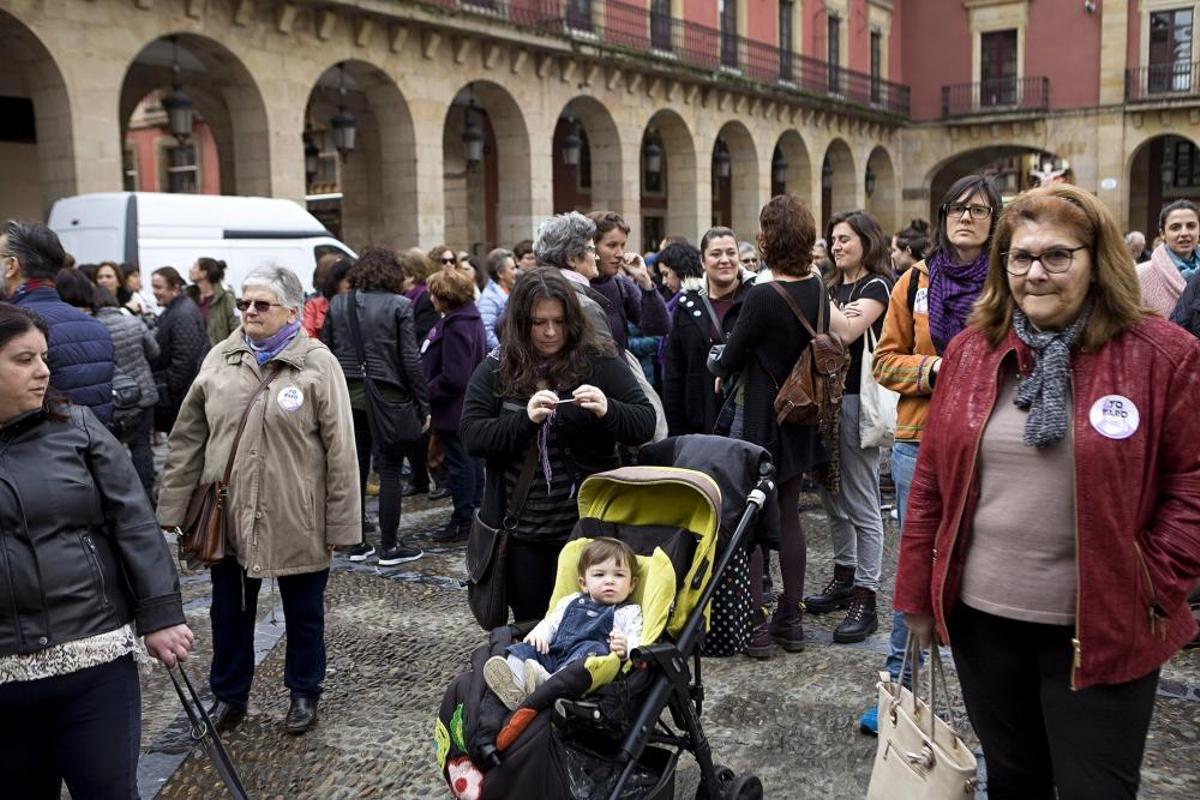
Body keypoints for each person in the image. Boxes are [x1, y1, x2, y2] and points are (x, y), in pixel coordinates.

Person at [895, 183, 1200, 799]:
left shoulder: (1162, 355)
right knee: (1014, 782)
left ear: (1097, 260)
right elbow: (930, 483)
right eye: (1020, 257)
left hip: (1106, 623)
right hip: (983, 625)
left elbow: (1191, 487)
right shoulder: (971, 353)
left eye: (1057, 255)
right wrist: (916, 595)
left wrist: (1150, 581)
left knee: (1096, 789)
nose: (1035, 273)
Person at [157, 265, 360, 736]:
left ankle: (304, 691)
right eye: (244, 303)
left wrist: (342, 523)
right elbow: (188, 438)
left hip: (297, 514)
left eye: (261, 304)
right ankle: (229, 695)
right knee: (228, 612)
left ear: (292, 311)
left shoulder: (317, 363)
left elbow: (341, 450)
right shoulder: (221, 357)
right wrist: (172, 508)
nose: (249, 311)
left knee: (304, 614)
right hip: (228, 513)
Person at [0, 304, 192, 798]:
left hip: (93, 657)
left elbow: (133, 520)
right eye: (24, 359)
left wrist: (161, 613)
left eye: (44, 357)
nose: (43, 371)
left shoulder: (77, 426)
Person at [860, 173, 1003, 734]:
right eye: (957, 208)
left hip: (992, 442)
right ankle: (900, 691)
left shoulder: (1009, 280)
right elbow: (884, 361)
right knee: (917, 566)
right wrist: (936, 370)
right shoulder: (915, 280)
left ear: (994, 221)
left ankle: (993, 697)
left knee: (985, 563)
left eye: (979, 209)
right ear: (943, 218)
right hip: (920, 441)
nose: (966, 217)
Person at [460, 267, 655, 622]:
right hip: (523, 534)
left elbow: (644, 423)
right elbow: (473, 436)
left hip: (589, 530)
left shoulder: (598, 360)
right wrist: (524, 420)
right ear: (521, 323)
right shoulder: (497, 367)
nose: (550, 332)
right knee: (532, 627)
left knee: (589, 624)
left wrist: (608, 409)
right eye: (539, 323)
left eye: (559, 322)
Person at [709, 196, 834, 657]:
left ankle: (756, 621)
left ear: (767, 240)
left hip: (762, 419)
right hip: (801, 416)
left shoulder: (763, 295)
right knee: (790, 515)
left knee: (753, 521)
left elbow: (731, 354)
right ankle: (791, 618)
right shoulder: (818, 287)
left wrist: (718, 363)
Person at [805, 210, 893, 644]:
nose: (836, 246)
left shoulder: (876, 286)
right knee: (830, 494)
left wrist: (819, 300)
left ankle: (867, 595)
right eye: (833, 239)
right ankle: (844, 576)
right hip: (823, 401)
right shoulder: (830, 285)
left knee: (860, 499)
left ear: (867, 241)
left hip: (857, 401)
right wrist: (828, 302)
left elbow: (846, 333)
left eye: (845, 239)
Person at [323, 247, 430, 563]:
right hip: (389, 394)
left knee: (355, 467)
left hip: (348, 394)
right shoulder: (400, 304)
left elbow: (326, 352)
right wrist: (423, 404)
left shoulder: (338, 303)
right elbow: (410, 359)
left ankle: (356, 543)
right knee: (391, 470)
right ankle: (390, 546)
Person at [482, 537, 644, 710]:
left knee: (593, 649)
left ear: (631, 585)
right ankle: (515, 683)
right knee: (524, 648)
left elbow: (637, 638)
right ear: (584, 583)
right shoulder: (571, 600)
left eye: (619, 575)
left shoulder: (628, 611)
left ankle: (547, 683)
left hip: (583, 663)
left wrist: (625, 647)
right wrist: (539, 635)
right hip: (555, 652)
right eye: (599, 575)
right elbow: (551, 623)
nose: (609, 581)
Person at [55, 269, 161, 498]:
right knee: (142, 446)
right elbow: (154, 351)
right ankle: (146, 493)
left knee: (113, 448)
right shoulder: (132, 322)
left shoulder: (94, 326)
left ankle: (122, 494)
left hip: (114, 396)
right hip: (143, 393)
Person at [1, 221, 115, 426]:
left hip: (36, 444)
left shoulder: (14, 327)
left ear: (11, 266)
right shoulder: (96, 325)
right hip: (94, 441)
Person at [663, 227, 756, 436]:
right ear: (703, 261)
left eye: (731, 253)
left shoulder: (757, 299)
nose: (725, 260)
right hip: (698, 424)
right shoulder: (686, 306)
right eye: (716, 254)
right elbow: (674, 374)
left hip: (747, 423)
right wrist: (676, 434)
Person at [422, 267, 487, 542]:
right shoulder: (466, 319)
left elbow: (455, 377)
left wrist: (427, 392)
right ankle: (473, 516)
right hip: (463, 408)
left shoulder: (458, 325)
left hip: (455, 410)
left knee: (462, 466)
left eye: (434, 294)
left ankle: (464, 519)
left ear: (445, 296)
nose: (431, 299)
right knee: (470, 464)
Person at [586, 211, 671, 352]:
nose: (619, 254)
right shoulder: (568, 285)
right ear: (590, 246)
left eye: (622, 245)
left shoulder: (621, 284)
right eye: (612, 245)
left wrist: (645, 282)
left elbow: (659, 328)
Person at [149, 266, 207, 433]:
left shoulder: (183, 313)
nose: (154, 292)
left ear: (175, 288)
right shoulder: (176, 309)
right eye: (153, 287)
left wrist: (168, 389)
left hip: (179, 396)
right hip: (177, 394)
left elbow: (184, 360)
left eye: (158, 287)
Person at [1136, 199, 1200, 317]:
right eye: (1175, 227)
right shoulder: (1140, 276)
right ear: (1162, 234)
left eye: (1191, 226)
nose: (1184, 233)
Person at [188, 257, 238, 347]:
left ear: (204, 273)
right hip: (196, 351)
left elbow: (236, 326)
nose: (190, 270)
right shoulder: (189, 295)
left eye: (195, 267)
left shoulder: (226, 296)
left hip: (218, 351)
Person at [302, 256, 354, 339]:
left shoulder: (357, 305)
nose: (352, 285)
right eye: (348, 280)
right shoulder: (314, 305)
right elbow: (307, 337)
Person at [478, 247, 518, 350]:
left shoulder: (512, 291)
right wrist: (503, 352)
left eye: (516, 268)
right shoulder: (489, 299)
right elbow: (487, 333)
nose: (516, 272)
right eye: (512, 269)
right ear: (500, 273)